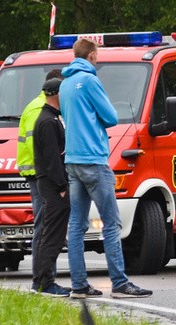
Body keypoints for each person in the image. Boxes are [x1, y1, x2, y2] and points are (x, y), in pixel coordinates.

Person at [60, 38, 152, 298]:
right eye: (96, 55)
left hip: (73, 161)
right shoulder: (89, 80)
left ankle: (79, 285)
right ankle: (120, 284)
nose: (97, 59)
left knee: (76, 226)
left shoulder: (66, 83)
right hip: (94, 159)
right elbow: (111, 117)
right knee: (111, 224)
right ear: (91, 55)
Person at [18, 69, 64, 292]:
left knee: (44, 226)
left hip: (37, 173)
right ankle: (43, 279)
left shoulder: (34, 105)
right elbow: (47, 150)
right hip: (42, 176)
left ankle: (43, 278)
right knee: (45, 227)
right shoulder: (41, 110)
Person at [31, 78, 71, 296]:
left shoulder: (52, 118)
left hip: (51, 183)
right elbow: (52, 158)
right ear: (57, 94)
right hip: (52, 184)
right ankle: (45, 282)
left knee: (51, 234)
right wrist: (62, 185)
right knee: (52, 235)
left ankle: (41, 281)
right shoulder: (48, 121)